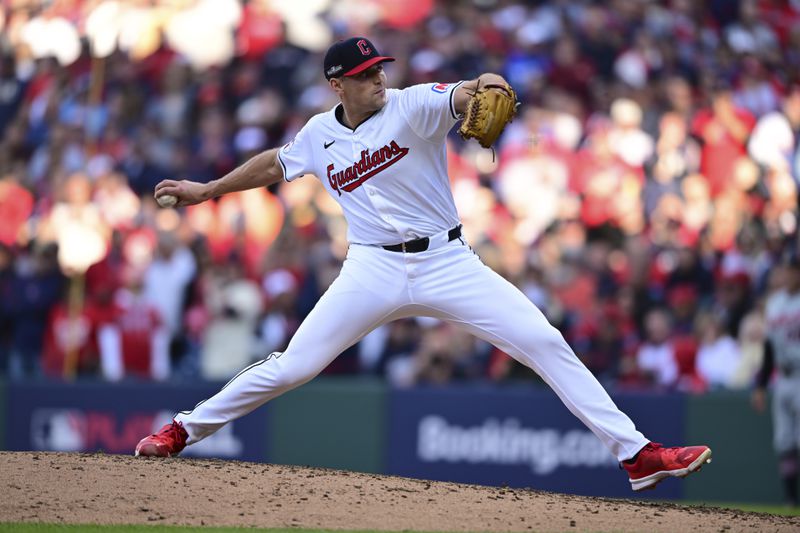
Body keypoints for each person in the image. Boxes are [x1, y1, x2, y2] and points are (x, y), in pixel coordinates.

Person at [135, 37, 712, 492]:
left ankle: (636, 456)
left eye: (379, 68)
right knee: (293, 366)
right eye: (364, 75)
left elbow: (464, 93)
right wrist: (208, 189)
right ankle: (182, 429)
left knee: (542, 339)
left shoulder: (411, 104)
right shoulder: (318, 134)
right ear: (337, 85)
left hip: (446, 261)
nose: (378, 78)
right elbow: (273, 165)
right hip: (370, 270)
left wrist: (488, 83)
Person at [752, 257, 800, 507]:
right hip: (783, 376)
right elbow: (769, 348)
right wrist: (760, 384)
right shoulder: (775, 304)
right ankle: (791, 499)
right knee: (785, 439)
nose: (791, 274)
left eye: (795, 270)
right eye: (788, 269)